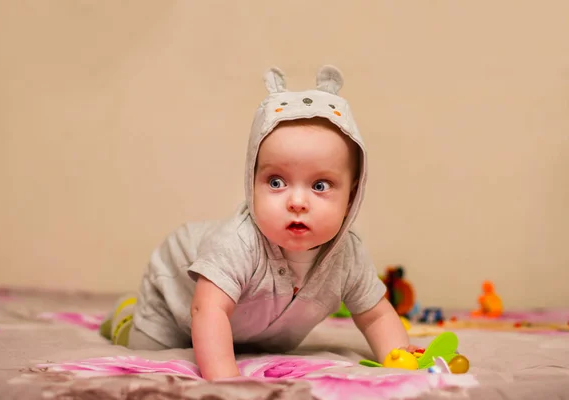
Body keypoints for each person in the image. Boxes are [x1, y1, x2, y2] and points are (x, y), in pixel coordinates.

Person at [100, 65, 415, 380]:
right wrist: (227, 380)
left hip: (251, 329)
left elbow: (375, 317)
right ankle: (124, 318)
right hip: (174, 302)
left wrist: (402, 361)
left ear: (351, 196)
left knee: (253, 346)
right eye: (277, 182)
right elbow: (207, 310)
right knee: (147, 346)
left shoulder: (349, 255)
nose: (297, 202)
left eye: (320, 186)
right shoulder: (237, 243)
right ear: (252, 182)